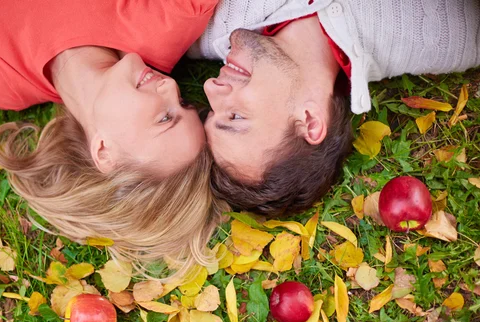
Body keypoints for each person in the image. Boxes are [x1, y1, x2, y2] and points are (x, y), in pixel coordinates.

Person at [0, 0, 228, 280]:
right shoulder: (173, 14)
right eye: (183, 104)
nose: (171, 88)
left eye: (165, 118)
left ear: (104, 152)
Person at [189, 0, 480, 217]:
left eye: (213, 111)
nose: (211, 87)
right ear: (310, 121)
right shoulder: (450, 34)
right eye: (235, 116)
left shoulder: (198, 23)